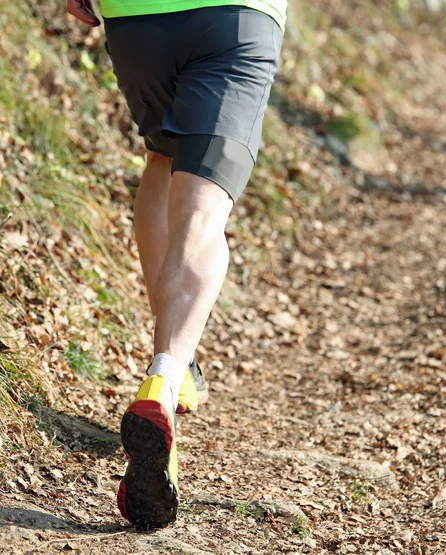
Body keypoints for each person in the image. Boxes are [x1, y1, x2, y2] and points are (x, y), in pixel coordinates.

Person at [66, 0, 286, 528]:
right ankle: (164, 376)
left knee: (162, 159)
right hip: (235, 18)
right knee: (203, 210)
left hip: (136, 19)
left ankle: (179, 369)